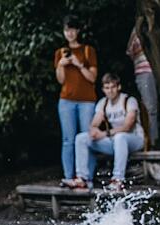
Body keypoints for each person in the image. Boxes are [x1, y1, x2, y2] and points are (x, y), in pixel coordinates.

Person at [69, 73, 145, 191]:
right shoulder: (103, 103)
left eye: (113, 87)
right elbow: (94, 124)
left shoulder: (129, 100)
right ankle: (82, 179)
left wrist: (103, 134)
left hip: (134, 139)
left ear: (118, 87)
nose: (110, 91)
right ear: (103, 89)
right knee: (81, 138)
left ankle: (118, 179)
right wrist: (94, 131)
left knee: (120, 137)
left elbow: (127, 127)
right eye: (107, 88)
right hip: (114, 142)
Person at [55, 15, 98, 188]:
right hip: (66, 100)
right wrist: (61, 65)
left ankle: (87, 177)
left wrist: (79, 64)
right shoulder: (60, 53)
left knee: (87, 138)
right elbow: (60, 80)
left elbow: (93, 78)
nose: (70, 33)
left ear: (78, 31)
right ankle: (68, 177)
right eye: (67, 30)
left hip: (86, 100)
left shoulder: (88, 50)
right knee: (68, 140)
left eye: (72, 29)